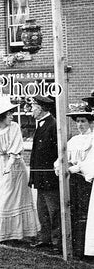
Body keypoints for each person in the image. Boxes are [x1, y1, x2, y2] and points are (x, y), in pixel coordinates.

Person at [0, 97, 40, 242]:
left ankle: (18, 233)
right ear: (0, 116)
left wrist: (9, 166)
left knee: (15, 199)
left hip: (15, 167)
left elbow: (15, 150)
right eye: (9, 114)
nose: (11, 116)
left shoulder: (14, 127)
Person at [54, 104, 93, 257]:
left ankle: (85, 248)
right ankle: (74, 247)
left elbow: (91, 162)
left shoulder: (92, 139)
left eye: (83, 121)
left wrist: (76, 168)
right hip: (72, 180)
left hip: (86, 181)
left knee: (85, 213)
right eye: (78, 121)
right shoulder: (74, 139)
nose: (80, 125)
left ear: (90, 123)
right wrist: (59, 166)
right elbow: (63, 156)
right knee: (72, 211)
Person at [29, 95, 60, 249]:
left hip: (50, 177)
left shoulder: (53, 125)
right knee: (42, 210)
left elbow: (56, 152)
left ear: (40, 108)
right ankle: (45, 238)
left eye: (33, 106)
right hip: (41, 177)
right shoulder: (42, 124)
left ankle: (56, 241)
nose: (30, 110)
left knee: (53, 209)